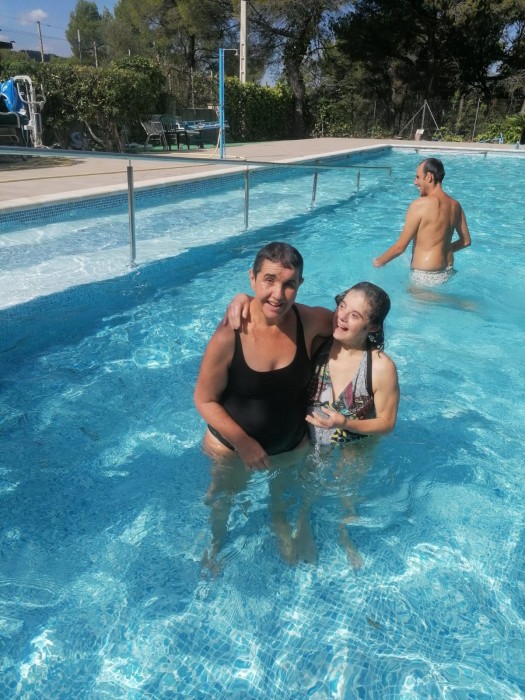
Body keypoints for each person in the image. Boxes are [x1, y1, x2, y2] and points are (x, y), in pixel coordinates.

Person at [194, 241, 333, 567]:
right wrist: (243, 443)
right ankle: (215, 544)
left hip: (289, 447)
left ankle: (282, 527)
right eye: (269, 280)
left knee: (281, 500)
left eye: (289, 284)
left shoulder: (310, 321)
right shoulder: (230, 333)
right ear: (252, 278)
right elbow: (203, 398)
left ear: (300, 284)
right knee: (222, 503)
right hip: (231, 449)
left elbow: (353, 323)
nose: (278, 294)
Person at [303, 282, 400, 567]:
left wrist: (345, 422)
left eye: (354, 315)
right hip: (313, 438)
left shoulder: (380, 367)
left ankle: (344, 531)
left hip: (356, 442)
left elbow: (387, 423)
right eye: (342, 306)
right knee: (308, 489)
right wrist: (241, 300)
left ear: (373, 327)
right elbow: (281, 311)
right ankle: (302, 524)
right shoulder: (319, 343)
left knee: (347, 495)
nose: (341, 317)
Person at [372, 158, 471, 286]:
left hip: (425, 276)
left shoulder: (420, 204)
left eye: (418, 177)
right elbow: (466, 241)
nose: (415, 182)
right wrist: (439, 251)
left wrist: (378, 262)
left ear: (429, 177)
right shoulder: (455, 205)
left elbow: (400, 247)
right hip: (448, 272)